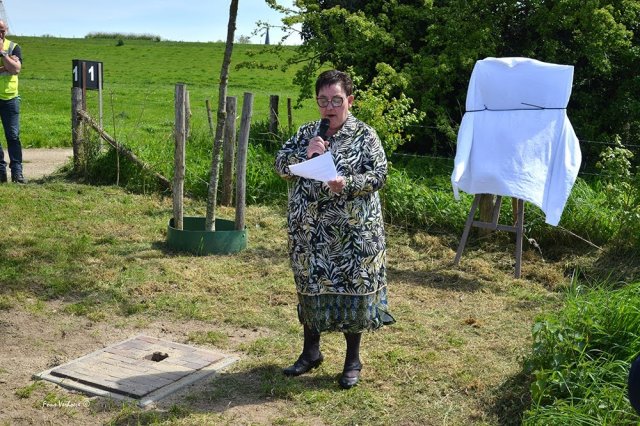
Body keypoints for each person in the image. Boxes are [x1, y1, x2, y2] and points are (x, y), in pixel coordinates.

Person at [275, 69, 395, 389]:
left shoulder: (366, 135)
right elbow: (280, 164)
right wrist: (305, 155)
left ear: (350, 101)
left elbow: (379, 175)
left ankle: (352, 360)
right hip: (309, 232)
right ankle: (311, 353)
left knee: (352, 292)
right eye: (323, 100)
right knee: (311, 289)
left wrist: (349, 183)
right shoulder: (306, 133)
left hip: (352, 234)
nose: (329, 107)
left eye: (336, 100)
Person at [0, 20, 24, 184]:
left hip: (10, 98)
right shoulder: (11, 53)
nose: (0, 34)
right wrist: (6, 66)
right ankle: (1, 173)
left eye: (2, 30)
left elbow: (16, 69)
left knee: (13, 136)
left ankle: (17, 173)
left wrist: (3, 54)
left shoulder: (13, 47)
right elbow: (11, 68)